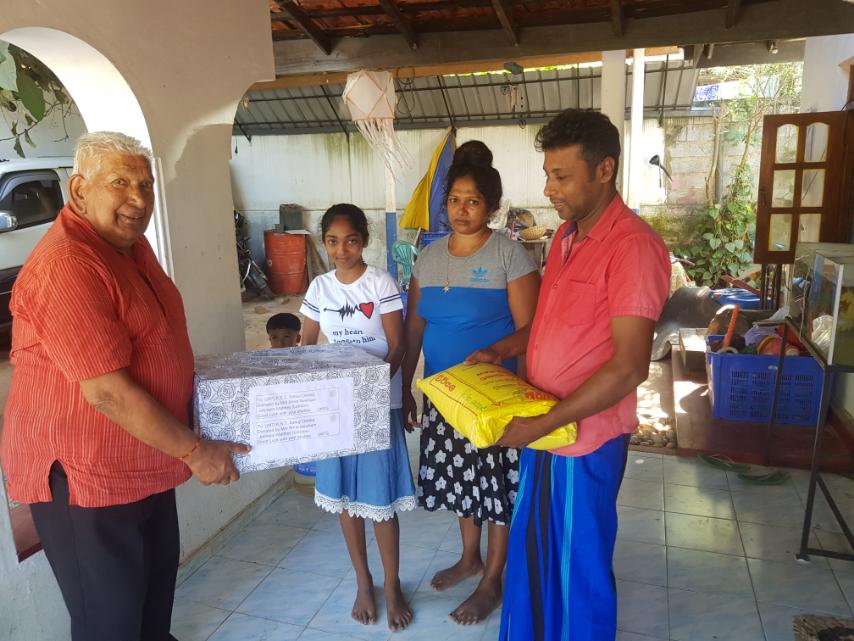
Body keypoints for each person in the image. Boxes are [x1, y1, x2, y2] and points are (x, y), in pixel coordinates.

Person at [0, 132, 249, 641]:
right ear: (79, 190)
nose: (139, 199)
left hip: (145, 461)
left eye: (146, 185)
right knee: (110, 625)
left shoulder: (129, 247)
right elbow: (107, 392)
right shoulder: (68, 264)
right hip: (88, 478)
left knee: (152, 611)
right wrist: (196, 451)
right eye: (120, 183)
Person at [466, 109, 671, 641]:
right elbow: (547, 325)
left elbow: (629, 366)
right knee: (535, 550)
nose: (548, 188)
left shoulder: (633, 247)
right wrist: (500, 350)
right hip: (545, 427)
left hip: (584, 440)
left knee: (578, 566)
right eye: (547, 174)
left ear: (604, 170)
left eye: (561, 176)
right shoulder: (564, 238)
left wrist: (543, 424)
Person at [401, 151, 540, 625]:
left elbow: (532, 330)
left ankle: (492, 579)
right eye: (454, 200)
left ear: (492, 208)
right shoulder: (428, 258)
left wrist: (513, 375)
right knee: (463, 480)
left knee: (495, 486)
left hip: (494, 400)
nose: (461, 209)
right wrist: (407, 386)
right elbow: (414, 329)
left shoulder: (508, 256)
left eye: (473, 201)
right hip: (445, 397)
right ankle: (469, 558)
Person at [299, 203, 416, 631]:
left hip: (377, 403)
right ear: (324, 243)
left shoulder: (380, 282)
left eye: (350, 241)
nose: (342, 250)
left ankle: (392, 584)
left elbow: (397, 345)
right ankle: (364, 582)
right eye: (332, 241)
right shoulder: (319, 288)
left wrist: (371, 387)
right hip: (337, 407)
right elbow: (307, 345)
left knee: (380, 498)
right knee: (346, 496)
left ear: (364, 241)